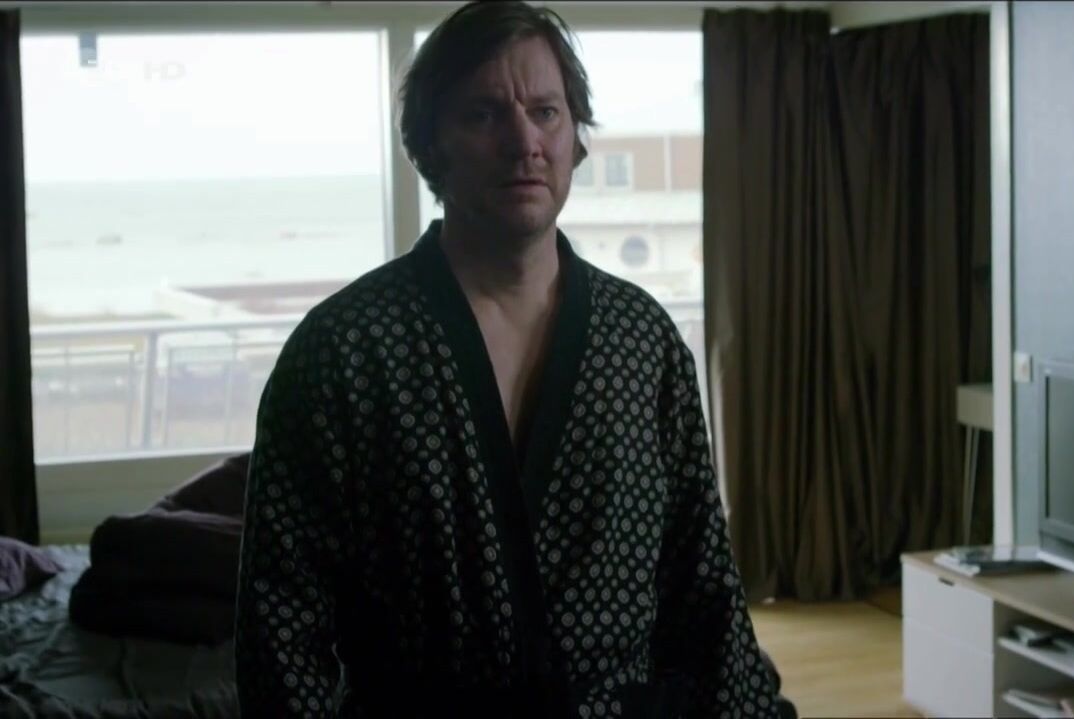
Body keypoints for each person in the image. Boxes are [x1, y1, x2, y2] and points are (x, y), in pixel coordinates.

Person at [234, 2, 786, 717]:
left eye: (546, 112)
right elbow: (280, 627)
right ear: (430, 145)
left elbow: (703, 588)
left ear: (575, 138)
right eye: (484, 114)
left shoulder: (643, 341)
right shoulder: (344, 351)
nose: (525, 141)